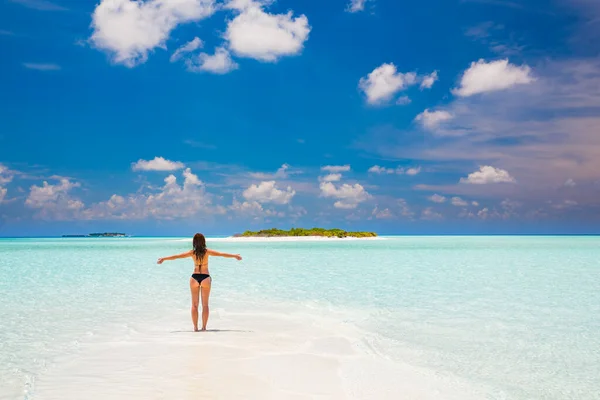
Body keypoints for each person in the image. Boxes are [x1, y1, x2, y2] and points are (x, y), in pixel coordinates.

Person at [157, 233, 242, 332]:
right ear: (204, 242)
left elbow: (177, 256)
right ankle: (204, 328)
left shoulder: (192, 253)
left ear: (194, 242)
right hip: (205, 278)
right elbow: (221, 254)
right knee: (205, 305)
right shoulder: (207, 252)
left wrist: (164, 259)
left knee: (194, 305)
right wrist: (235, 256)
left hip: (194, 277)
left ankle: (195, 328)